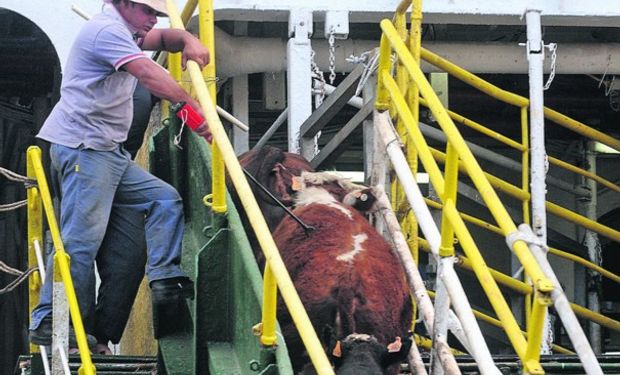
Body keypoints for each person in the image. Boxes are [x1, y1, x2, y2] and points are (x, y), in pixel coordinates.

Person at [29, 0, 211, 348]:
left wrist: (188, 39)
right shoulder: (106, 31)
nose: (152, 21)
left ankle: (165, 282)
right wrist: (191, 109)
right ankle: (52, 321)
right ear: (125, 4)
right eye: (148, 12)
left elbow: (164, 38)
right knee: (79, 246)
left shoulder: (126, 30)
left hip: (107, 154)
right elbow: (147, 73)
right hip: (85, 150)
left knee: (163, 199)